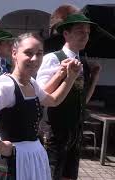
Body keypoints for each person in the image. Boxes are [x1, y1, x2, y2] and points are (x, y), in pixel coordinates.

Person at [0, 33, 82, 180]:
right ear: (14, 53)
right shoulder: (5, 87)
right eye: (28, 53)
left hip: (32, 159)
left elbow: (53, 100)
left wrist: (70, 77)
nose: (35, 59)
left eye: (39, 54)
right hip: (13, 162)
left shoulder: (31, 83)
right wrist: (1, 147)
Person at [36, 5, 101, 180]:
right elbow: (41, 95)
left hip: (75, 131)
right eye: (80, 31)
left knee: (69, 176)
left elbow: (83, 99)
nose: (85, 36)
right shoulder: (53, 59)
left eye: (87, 32)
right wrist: (61, 74)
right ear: (66, 34)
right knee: (50, 175)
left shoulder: (83, 62)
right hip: (54, 132)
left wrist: (94, 77)